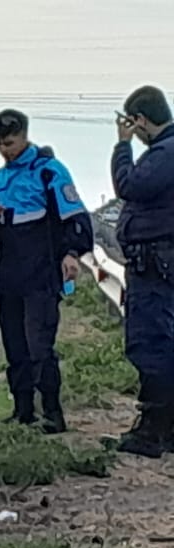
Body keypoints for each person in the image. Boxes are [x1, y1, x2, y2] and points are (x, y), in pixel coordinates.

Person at [0, 109, 94, 434]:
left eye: (11, 142)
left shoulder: (49, 172)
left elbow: (75, 218)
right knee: (14, 344)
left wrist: (71, 254)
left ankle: (53, 413)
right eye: (0, 145)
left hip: (42, 273)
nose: (6, 150)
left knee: (39, 345)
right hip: (10, 273)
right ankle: (22, 411)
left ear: (25, 135)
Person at [111, 85, 174, 458]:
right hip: (157, 264)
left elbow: (129, 186)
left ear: (140, 120)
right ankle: (165, 429)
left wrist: (122, 146)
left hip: (155, 267)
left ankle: (153, 431)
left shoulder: (165, 152)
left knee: (152, 345)